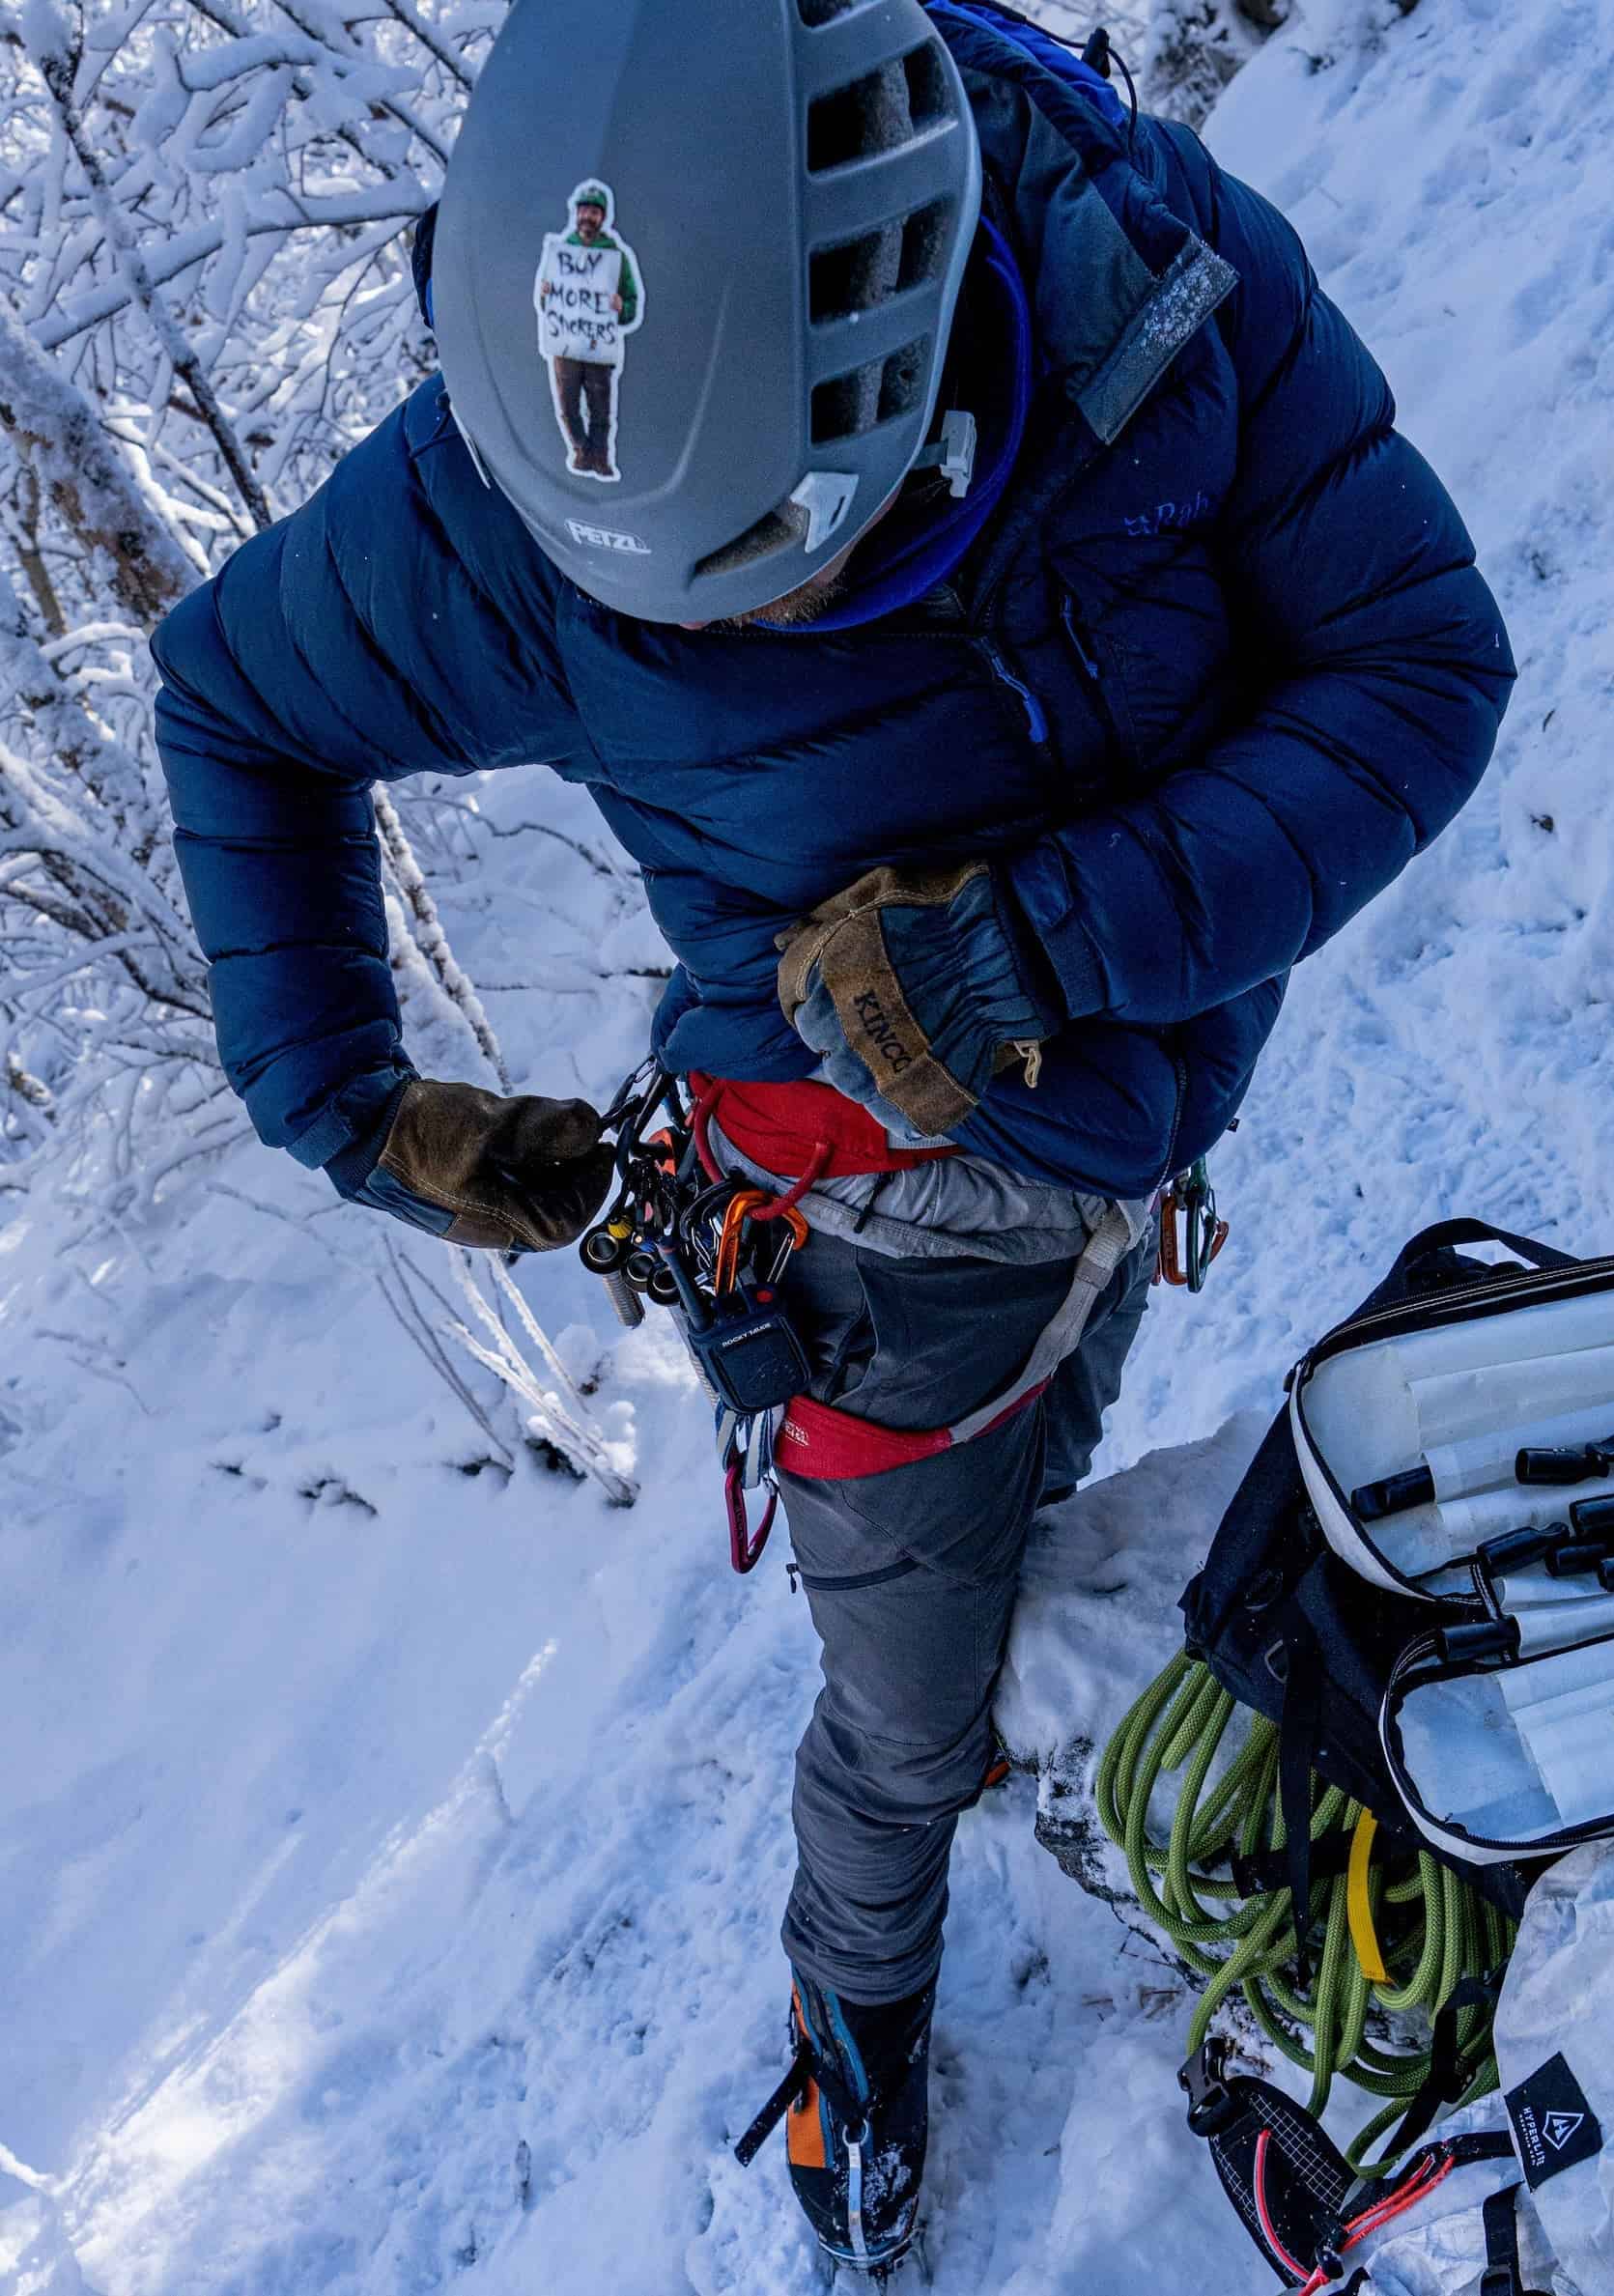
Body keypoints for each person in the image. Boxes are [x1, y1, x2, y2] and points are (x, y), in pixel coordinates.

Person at [152, 0, 1513, 2271]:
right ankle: (857, 2001)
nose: (735, 616)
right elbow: (233, 700)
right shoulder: (508, 497)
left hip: (1108, 1084)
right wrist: (353, 1101)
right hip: (853, 1199)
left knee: (1018, 1495)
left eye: (776, 549)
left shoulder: (1152, 293)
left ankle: (999, 1591)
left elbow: (1413, 662)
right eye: (668, 590)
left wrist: (1053, 944)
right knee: (904, 1706)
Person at [536, 179, 644, 478]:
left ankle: (601, 458)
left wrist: (622, 307)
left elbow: (632, 303)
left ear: (603, 217)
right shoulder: (561, 252)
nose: (588, 217)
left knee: (601, 410)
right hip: (566, 345)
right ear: (576, 213)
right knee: (568, 407)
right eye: (584, 210)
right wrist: (546, 293)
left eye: (594, 212)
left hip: (598, 347)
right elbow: (547, 303)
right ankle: (582, 452)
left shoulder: (616, 256)